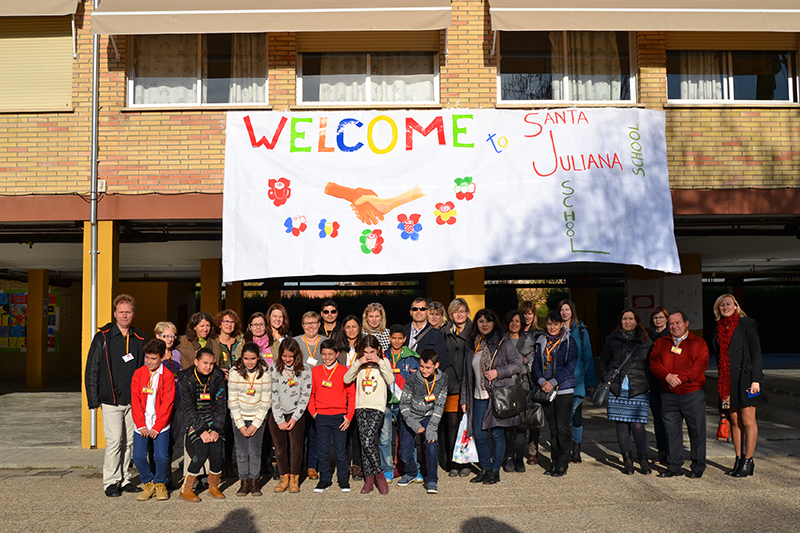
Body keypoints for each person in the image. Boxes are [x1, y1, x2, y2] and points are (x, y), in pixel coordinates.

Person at [85, 294, 147, 497]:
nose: (124, 315)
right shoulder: (103, 337)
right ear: (115, 314)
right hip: (110, 399)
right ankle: (110, 482)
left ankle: (124, 478)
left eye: (128, 312)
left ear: (134, 314)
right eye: (121, 312)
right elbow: (92, 368)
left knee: (129, 441)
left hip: (134, 401)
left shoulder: (140, 338)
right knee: (114, 441)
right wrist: (92, 398)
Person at [460, 308, 525, 484]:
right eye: (481, 321)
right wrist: (464, 399)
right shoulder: (472, 345)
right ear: (477, 325)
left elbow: (518, 365)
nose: (484, 325)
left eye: (488, 321)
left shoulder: (504, 344)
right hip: (477, 397)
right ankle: (485, 468)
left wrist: (498, 372)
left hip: (496, 397)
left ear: (494, 323)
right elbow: (467, 376)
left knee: (496, 435)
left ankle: (495, 470)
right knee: (479, 435)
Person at [650, 311, 709, 478]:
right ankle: (674, 466)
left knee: (696, 431)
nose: (674, 326)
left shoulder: (698, 343)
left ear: (686, 323)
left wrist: (681, 378)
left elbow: (700, 365)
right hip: (668, 394)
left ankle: (698, 467)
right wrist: (667, 376)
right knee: (671, 431)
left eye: (678, 323)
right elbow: (654, 363)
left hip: (692, 394)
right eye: (671, 324)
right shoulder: (661, 343)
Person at [712, 294, 765, 477]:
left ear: (736, 306)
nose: (725, 307)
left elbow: (756, 353)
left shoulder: (747, 324)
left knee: (748, 420)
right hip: (727, 381)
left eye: (728, 304)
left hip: (747, 378)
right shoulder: (718, 328)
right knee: (734, 420)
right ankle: (738, 458)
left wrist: (756, 379)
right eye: (721, 305)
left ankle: (748, 461)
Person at [598, 309, 653, 475]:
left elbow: (652, 363)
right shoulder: (612, 339)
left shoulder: (645, 340)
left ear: (637, 321)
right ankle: (627, 462)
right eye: (624, 319)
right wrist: (607, 377)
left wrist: (648, 382)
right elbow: (602, 360)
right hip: (617, 388)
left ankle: (643, 460)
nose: (627, 322)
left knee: (638, 426)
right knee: (621, 425)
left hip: (638, 389)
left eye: (630, 319)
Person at [344, 335, 394, 495]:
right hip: (361, 406)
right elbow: (346, 379)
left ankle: (379, 476)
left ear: (378, 349)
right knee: (365, 444)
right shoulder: (359, 364)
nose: (368, 355)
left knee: (367, 441)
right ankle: (368, 479)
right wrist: (358, 363)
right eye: (365, 352)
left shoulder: (383, 363)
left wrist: (379, 361)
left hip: (377, 406)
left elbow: (390, 379)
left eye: (371, 351)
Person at [532, 310, 578, 477]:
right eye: (550, 324)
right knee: (553, 430)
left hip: (563, 389)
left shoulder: (569, 341)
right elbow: (535, 365)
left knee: (563, 428)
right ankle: (554, 462)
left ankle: (562, 464)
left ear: (561, 325)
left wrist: (552, 382)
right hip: (545, 389)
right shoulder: (540, 341)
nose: (552, 327)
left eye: (556, 324)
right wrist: (541, 382)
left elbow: (570, 365)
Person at [397, 348, 448, 494]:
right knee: (404, 452)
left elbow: (440, 405)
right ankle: (411, 472)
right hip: (411, 416)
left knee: (431, 445)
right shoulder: (413, 378)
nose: (424, 370)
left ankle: (431, 480)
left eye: (428, 367)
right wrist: (413, 423)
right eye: (421, 366)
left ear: (436, 365)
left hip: (429, 416)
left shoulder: (443, 379)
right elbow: (404, 404)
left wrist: (431, 428)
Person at [179, 347, 227, 502]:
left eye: (211, 363)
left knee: (217, 451)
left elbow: (221, 405)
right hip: (195, 423)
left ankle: (213, 485)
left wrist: (217, 429)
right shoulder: (187, 378)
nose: (208, 367)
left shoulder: (217, 376)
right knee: (201, 452)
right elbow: (188, 408)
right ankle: (186, 488)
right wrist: (201, 431)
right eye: (204, 363)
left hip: (213, 421)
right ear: (196, 362)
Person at [131, 338, 175, 501]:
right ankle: (148, 482)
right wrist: (141, 425)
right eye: (147, 358)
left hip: (160, 425)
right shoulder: (138, 374)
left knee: (161, 456)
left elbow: (167, 402)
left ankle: (160, 483)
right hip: (141, 424)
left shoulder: (168, 375)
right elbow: (135, 400)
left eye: (153, 358)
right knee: (139, 456)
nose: (149, 362)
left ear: (162, 357)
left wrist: (157, 427)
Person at [308, 339, 355, 493]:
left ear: (336, 354)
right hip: (321, 415)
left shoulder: (344, 371)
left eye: (330, 354)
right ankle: (324, 480)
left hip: (340, 416)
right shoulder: (315, 371)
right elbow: (311, 394)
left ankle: (343, 479)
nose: (327, 357)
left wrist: (349, 416)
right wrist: (314, 413)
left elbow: (351, 394)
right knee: (323, 450)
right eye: (324, 354)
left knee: (341, 450)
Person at [228, 342, 271, 497]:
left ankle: (254, 482)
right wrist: (240, 424)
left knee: (254, 451)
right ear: (242, 358)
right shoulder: (234, 373)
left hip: (257, 417)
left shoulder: (265, 373)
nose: (249, 362)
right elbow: (232, 400)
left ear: (258, 357)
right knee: (241, 452)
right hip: (239, 416)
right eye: (246, 358)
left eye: (253, 358)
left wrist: (255, 424)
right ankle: (243, 482)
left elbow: (266, 401)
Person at [269, 338, 311, 493]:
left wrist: (294, 418)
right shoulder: (274, 369)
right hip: (277, 413)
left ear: (296, 355)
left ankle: (295, 477)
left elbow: (305, 396)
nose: (287, 359)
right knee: (280, 448)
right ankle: (283, 476)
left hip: (296, 414)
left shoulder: (304, 370)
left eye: (290, 356)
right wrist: (279, 419)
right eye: (284, 356)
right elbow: (273, 395)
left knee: (296, 447)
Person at [380, 324, 421, 484]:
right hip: (385, 402)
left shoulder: (412, 357)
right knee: (384, 439)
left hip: (405, 404)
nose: (396, 341)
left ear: (404, 339)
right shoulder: (383, 356)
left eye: (400, 338)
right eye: (393, 338)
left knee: (408, 438)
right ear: (389, 338)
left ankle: (414, 469)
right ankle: (387, 469)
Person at [558, 299, 596, 464]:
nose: (564, 312)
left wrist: (590, 381)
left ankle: (577, 448)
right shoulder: (554, 330)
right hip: (560, 381)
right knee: (563, 417)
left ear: (572, 311)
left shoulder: (581, 331)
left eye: (567, 309)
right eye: (561, 310)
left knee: (577, 417)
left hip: (578, 380)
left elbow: (587, 356)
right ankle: (564, 449)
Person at [502, 310, 536, 473]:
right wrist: (517, 363)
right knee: (508, 425)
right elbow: (499, 365)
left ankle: (519, 457)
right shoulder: (501, 340)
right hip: (505, 387)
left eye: (517, 321)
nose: (514, 324)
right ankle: (508, 456)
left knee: (522, 424)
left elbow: (529, 365)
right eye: (511, 321)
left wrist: (514, 365)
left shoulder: (529, 341)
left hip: (523, 386)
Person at [442, 298, 472, 477]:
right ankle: (455, 461)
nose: (459, 314)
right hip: (450, 384)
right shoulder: (445, 331)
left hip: (468, 384)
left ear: (468, 312)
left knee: (467, 424)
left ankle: (466, 461)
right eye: (455, 311)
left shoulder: (475, 331)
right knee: (452, 424)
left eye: (462, 311)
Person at [296, 310, 327, 481]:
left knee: (316, 433)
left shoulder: (325, 342)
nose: (310, 326)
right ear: (302, 325)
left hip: (319, 394)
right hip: (298, 394)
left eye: (314, 323)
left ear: (319, 324)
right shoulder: (294, 342)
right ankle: (297, 466)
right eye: (307, 323)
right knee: (299, 434)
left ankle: (312, 467)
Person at [336, 314, 364, 479]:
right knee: (344, 432)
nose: (351, 330)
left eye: (354, 326)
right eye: (348, 327)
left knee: (357, 433)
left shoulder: (364, 347)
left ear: (359, 328)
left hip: (361, 392)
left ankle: (358, 466)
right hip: (343, 393)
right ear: (343, 330)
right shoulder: (339, 350)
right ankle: (344, 465)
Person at [154, 321, 184, 477]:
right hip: (159, 404)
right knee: (159, 441)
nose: (170, 339)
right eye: (166, 336)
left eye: (173, 336)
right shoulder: (153, 355)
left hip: (176, 402)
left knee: (172, 440)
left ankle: (167, 475)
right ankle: (159, 475)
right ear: (158, 336)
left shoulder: (177, 354)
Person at [646, 307, 671, 464]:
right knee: (657, 419)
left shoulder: (672, 336)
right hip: (653, 384)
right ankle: (662, 451)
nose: (658, 320)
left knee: (670, 419)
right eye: (655, 317)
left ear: (666, 319)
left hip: (669, 384)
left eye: (661, 317)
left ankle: (671, 451)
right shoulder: (647, 337)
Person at [405, 297, 448, 371]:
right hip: (403, 378)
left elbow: (442, 360)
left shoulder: (437, 335)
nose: (418, 312)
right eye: (415, 309)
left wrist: (425, 372)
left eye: (422, 309)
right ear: (410, 312)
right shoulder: (402, 331)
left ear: (428, 312)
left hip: (426, 379)